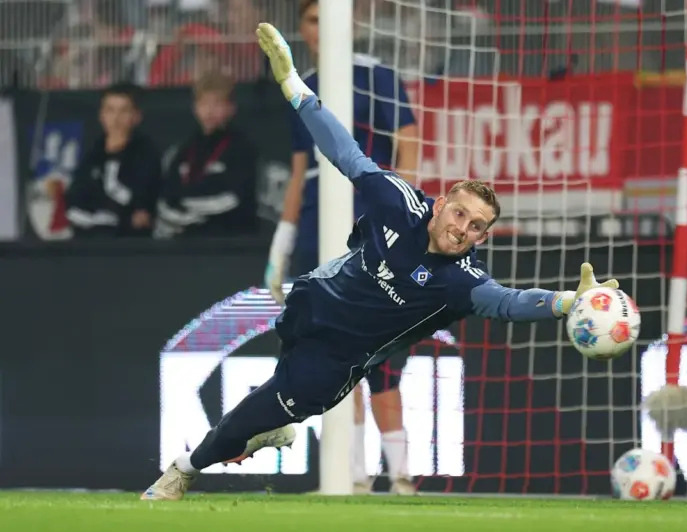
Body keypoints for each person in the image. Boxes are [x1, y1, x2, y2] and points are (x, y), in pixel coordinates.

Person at [140, 23, 619, 502]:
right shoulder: (398, 202)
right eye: (459, 213)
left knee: (255, 412)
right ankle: (274, 426)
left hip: (338, 360)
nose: (462, 228)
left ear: (482, 237)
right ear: (439, 205)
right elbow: (344, 152)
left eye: (476, 226)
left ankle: (185, 469)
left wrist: (565, 302)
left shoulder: (462, 283)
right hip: (313, 297)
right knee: (275, 396)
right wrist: (294, 86)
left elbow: (510, 303)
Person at [264, 0, 421, 494]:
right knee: (333, 350)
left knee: (382, 352)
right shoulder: (300, 82)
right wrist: (281, 244)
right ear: (303, 29)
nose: (319, 28)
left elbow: (409, 141)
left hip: (369, 222)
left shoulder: (377, 75)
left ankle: (401, 475)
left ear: (348, 22)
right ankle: (351, 475)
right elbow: (299, 171)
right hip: (317, 228)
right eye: (310, 20)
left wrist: (400, 212)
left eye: (325, 17)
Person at [156, 71, 260, 238]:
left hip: (230, 241)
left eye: (217, 103)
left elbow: (236, 198)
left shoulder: (241, 148)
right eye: (204, 103)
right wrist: (185, 218)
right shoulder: (184, 149)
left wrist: (188, 208)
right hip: (185, 241)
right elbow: (166, 198)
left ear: (231, 108)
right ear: (195, 108)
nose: (209, 111)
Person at [64, 82, 161, 238]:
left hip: (127, 243)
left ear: (137, 116)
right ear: (101, 115)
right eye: (110, 110)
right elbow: (75, 198)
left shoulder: (146, 155)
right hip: (87, 241)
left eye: (124, 111)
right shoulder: (92, 155)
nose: (116, 119)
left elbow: (141, 206)